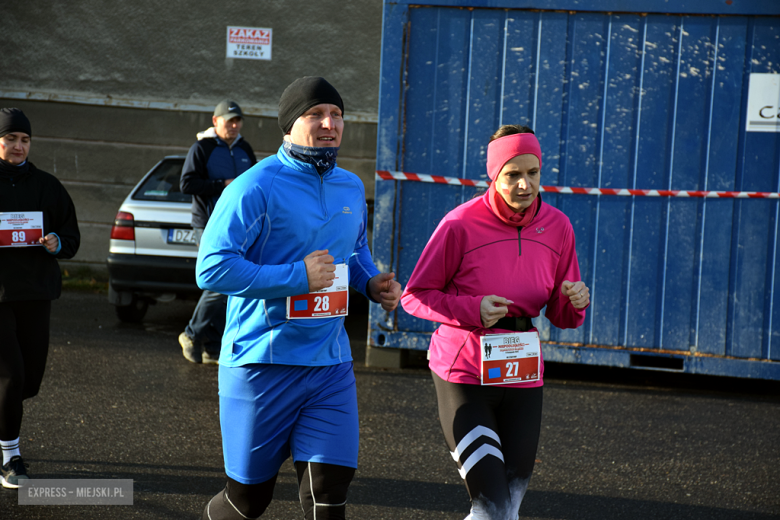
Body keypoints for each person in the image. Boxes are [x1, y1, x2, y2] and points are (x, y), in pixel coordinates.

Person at [196, 77, 401, 519]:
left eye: (337, 115)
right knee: (249, 501)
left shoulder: (349, 186)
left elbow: (355, 251)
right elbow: (211, 267)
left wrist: (370, 283)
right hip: (261, 363)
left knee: (330, 492)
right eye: (316, 115)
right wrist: (297, 277)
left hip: (329, 366)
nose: (330, 124)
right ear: (290, 125)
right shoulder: (255, 187)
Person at [401, 125, 590, 520]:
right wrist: (473, 309)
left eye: (533, 173)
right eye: (512, 175)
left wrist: (574, 303)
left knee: (509, 508)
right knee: (491, 507)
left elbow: (562, 314)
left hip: (523, 374)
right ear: (494, 175)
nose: (525, 185)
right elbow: (414, 296)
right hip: (465, 375)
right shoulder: (459, 224)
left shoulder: (558, 227)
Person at [0, 108, 80, 488]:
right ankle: (10, 457)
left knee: (28, 381)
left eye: (24, 140)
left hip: (36, 294)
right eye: (10, 138)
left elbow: (72, 236)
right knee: (10, 377)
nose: (18, 146)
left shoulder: (48, 186)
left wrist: (56, 242)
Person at [178, 100, 256, 364]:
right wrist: (222, 184)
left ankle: (211, 345)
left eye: (237, 121)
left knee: (230, 285)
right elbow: (187, 183)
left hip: (240, 227)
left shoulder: (245, 149)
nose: (234, 126)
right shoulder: (202, 148)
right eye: (228, 121)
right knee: (220, 280)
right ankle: (191, 334)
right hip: (209, 224)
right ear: (215, 121)